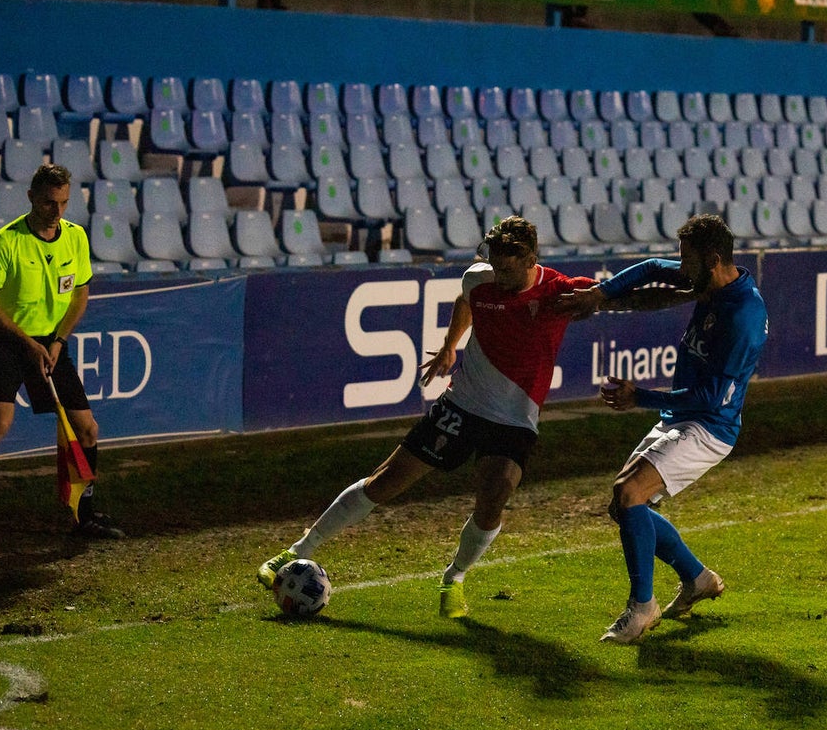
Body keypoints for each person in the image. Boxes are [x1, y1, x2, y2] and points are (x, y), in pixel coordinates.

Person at [256, 216, 596, 617]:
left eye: (507, 268)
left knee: (496, 494)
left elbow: (623, 295)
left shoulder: (560, 292)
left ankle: (454, 578)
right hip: (462, 404)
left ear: (530, 259)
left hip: (514, 419)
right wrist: (451, 345)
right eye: (495, 264)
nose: (498, 274)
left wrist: (679, 287)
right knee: (385, 482)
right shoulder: (479, 279)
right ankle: (295, 552)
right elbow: (465, 302)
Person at [555, 214, 768, 644]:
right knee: (626, 506)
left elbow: (708, 399)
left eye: (685, 260)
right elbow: (653, 268)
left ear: (712, 259)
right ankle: (697, 578)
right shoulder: (711, 280)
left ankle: (641, 608)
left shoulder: (742, 316)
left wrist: (640, 397)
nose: (679, 267)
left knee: (631, 493)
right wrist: (601, 294)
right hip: (684, 415)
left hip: (710, 427)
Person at [0, 164, 124, 544]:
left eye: (63, 203)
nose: (56, 211)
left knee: (87, 429)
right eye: (48, 203)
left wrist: (56, 342)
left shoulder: (75, 237)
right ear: (30, 198)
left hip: (50, 342)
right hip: (5, 341)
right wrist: (28, 343)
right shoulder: (6, 241)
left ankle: (84, 514)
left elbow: (80, 296)